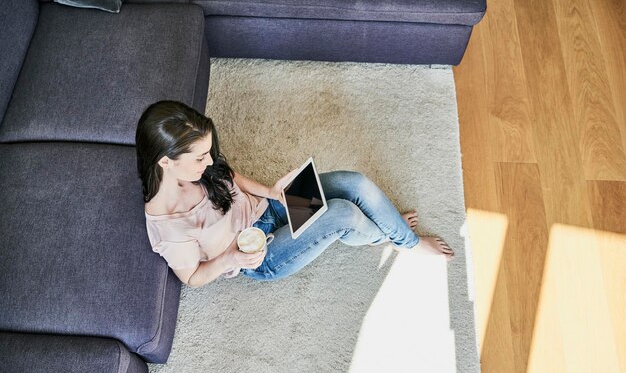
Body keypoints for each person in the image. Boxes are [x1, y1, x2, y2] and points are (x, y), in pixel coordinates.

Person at [136, 100, 454, 288]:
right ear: (166, 161)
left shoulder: (198, 169)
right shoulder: (169, 227)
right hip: (259, 256)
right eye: (200, 157)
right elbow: (192, 277)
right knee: (343, 214)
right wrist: (231, 258)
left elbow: (231, 177)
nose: (209, 162)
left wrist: (272, 192)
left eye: (208, 153)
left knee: (353, 183)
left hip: (267, 210)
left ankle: (392, 232)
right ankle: (397, 241)